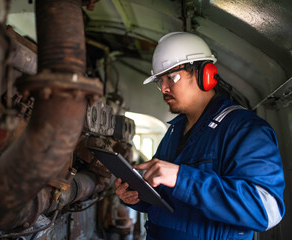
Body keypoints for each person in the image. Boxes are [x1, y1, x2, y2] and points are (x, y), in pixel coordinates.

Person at [114, 32, 285, 240]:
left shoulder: (245, 129)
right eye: (160, 81)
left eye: (171, 77)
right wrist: (138, 197)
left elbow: (267, 210)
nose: (164, 88)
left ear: (205, 74)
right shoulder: (174, 131)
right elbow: (171, 200)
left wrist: (180, 177)